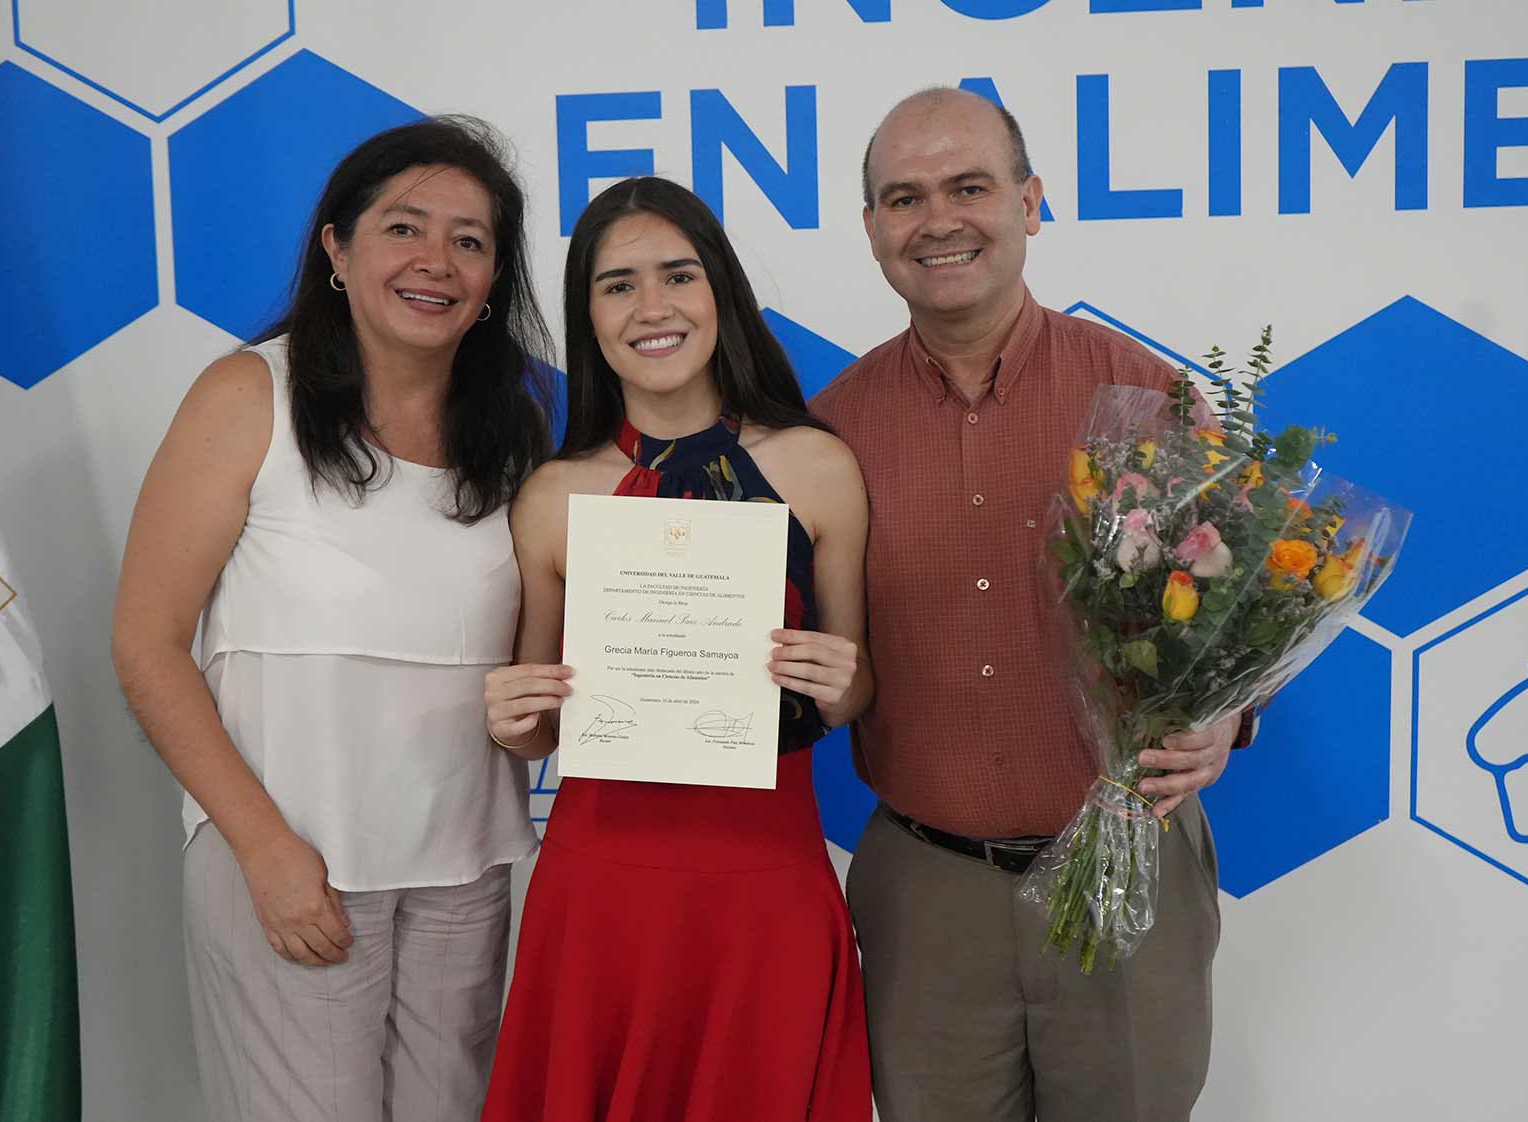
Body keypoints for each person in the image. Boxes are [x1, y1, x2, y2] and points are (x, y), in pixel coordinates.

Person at [811, 88, 1250, 1122]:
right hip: (926, 897)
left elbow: (1234, 615)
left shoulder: (1150, 401)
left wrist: (1227, 710)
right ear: (873, 228)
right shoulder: (825, 433)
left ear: (1031, 202)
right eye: (903, 198)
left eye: (970, 186)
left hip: (1123, 861)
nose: (938, 220)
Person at [110, 118, 555, 1122]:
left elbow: (526, 682)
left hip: (466, 874)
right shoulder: (245, 396)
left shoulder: (516, 434)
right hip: (293, 867)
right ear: (336, 249)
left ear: (493, 281)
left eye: (471, 241)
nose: (436, 261)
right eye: (404, 227)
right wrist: (265, 851)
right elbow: (145, 646)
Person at [479, 176, 874, 1122]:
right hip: (600, 885)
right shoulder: (551, 493)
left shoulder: (820, 466)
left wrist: (843, 682)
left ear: (721, 294)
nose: (650, 307)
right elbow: (536, 734)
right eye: (617, 285)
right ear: (587, 315)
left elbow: (852, 693)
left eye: (677, 275)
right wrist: (515, 719)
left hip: (764, 881)